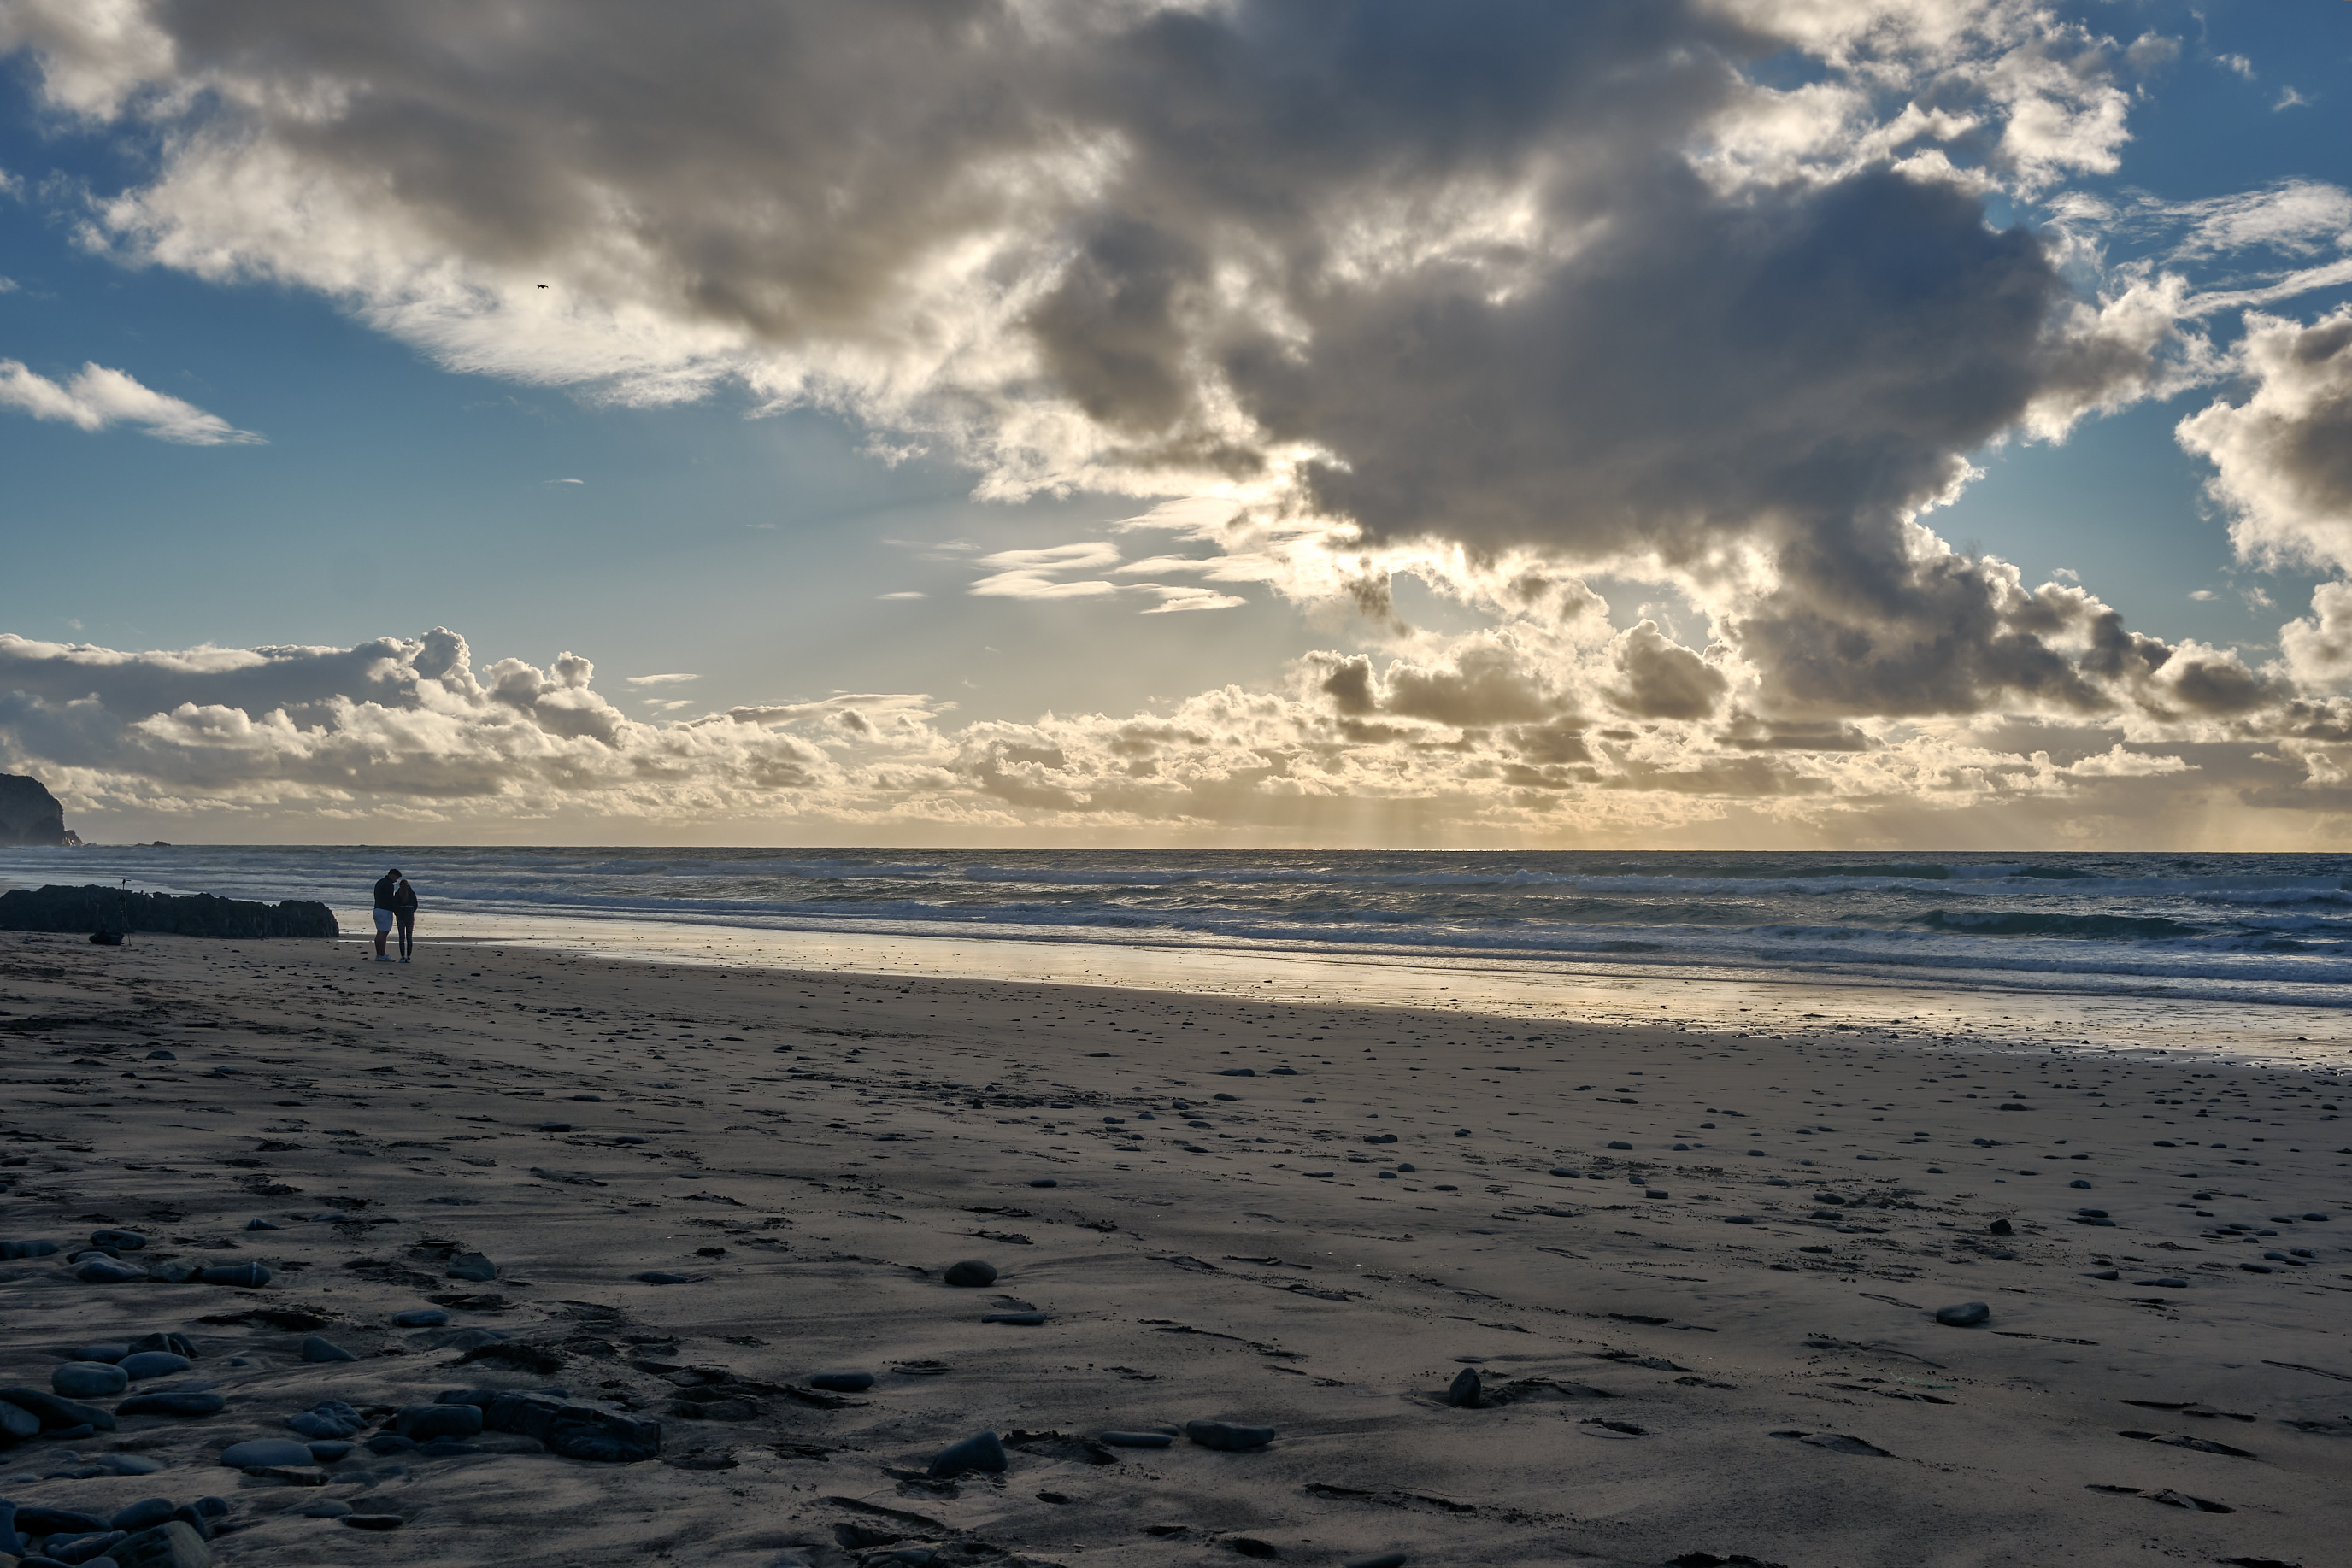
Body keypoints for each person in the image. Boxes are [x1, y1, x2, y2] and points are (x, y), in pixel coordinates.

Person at [372, 866, 402, 960]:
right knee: (384, 933)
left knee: (380, 932)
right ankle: (382, 954)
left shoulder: (380, 882)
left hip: (377, 909)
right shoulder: (388, 884)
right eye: (396, 878)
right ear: (392, 875)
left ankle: (379, 954)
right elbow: (389, 899)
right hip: (384, 910)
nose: (396, 880)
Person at [392, 872, 419, 963]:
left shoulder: (397, 894)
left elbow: (395, 906)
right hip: (410, 916)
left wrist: (397, 914)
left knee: (401, 937)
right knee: (409, 937)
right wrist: (411, 912)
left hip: (401, 916)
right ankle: (409, 957)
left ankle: (402, 956)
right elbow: (415, 905)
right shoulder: (412, 893)